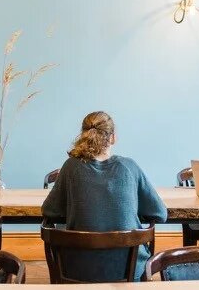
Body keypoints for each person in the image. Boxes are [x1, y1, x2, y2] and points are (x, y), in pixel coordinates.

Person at [42, 111, 167, 282]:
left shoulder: (71, 167)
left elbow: (50, 210)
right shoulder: (129, 167)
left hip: (77, 267)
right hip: (128, 269)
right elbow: (160, 213)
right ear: (113, 137)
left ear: (83, 135)